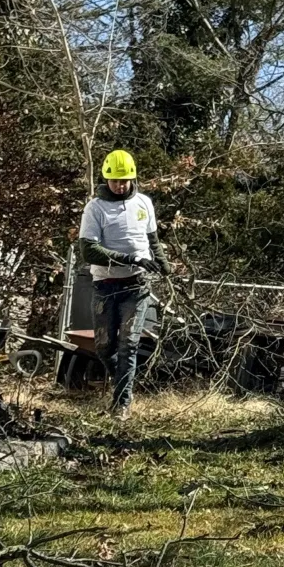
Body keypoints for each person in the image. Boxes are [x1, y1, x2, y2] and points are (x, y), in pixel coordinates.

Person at [78, 149, 171, 419]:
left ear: (133, 178)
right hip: (105, 285)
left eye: (125, 180)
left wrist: (164, 266)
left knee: (128, 343)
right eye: (115, 180)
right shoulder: (95, 208)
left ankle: (122, 403)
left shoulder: (144, 203)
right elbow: (89, 251)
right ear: (106, 179)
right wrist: (129, 258)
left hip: (137, 285)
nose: (120, 185)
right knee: (105, 347)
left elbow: (153, 241)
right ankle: (121, 382)